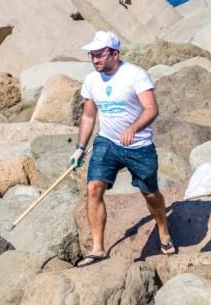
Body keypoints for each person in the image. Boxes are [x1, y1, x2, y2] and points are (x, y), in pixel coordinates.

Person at [70, 30, 174, 266]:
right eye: (92, 55)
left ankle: (163, 228)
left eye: (100, 54)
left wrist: (133, 129)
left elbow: (151, 109)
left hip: (139, 145)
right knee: (94, 188)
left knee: (150, 194)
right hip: (107, 142)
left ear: (114, 54)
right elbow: (88, 117)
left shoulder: (136, 75)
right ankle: (97, 248)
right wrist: (79, 148)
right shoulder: (91, 80)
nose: (95, 59)